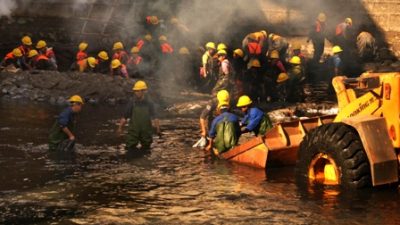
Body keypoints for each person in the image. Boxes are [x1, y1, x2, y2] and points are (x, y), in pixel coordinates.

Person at [117, 80, 160, 151]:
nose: (135, 92)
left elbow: (155, 117)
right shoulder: (132, 103)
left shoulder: (149, 103)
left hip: (146, 132)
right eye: (135, 91)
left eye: (137, 91)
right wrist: (120, 128)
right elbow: (125, 117)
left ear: (143, 91)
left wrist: (158, 129)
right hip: (134, 132)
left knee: (146, 149)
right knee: (130, 149)